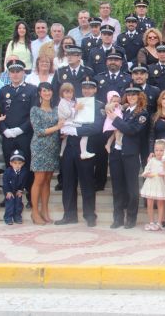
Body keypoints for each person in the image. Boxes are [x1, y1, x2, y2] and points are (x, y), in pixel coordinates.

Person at [55, 80, 104, 227]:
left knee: (87, 183)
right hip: (69, 146)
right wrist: (62, 131)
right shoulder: (72, 103)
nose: (87, 91)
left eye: (90, 88)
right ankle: (69, 215)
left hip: (86, 147)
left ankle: (90, 215)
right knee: (68, 182)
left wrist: (75, 131)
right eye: (84, 88)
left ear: (95, 90)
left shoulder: (99, 105)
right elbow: (62, 120)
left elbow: (97, 127)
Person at [0, 59, 38, 208]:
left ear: (23, 72)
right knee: (10, 167)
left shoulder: (32, 90)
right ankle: (9, 195)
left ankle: (30, 197)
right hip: (8, 136)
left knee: (26, 165)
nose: (15, 74)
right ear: (9, 73)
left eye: (18, 71)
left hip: (24, 135)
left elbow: (33, 114)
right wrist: (4, 130)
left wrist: (20, 129)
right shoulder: (4, 90)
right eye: (12, 72)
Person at [108, 86, 149, 229]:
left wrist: (115, 119)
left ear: (139, 97)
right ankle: (117, 218)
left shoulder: (142, 113)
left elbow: (132, 130)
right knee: (117, 188)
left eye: (134, 95)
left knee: (132, 188)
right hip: (116, 152)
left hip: (130, 154)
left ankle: (131, 218)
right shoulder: (123, 110)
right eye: (129, 95)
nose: (131, 97)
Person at [29, 82, 61, 225]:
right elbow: (39, 131)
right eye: (44, 91)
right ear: (40, 93)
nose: (47, 93)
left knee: (47, 180)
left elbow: (60, 128)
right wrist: (57, 127)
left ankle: (45, 211)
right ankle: (35, 212)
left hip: (53, 147)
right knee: (39, 179)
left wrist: (62, 130)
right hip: (40, 147)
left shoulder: (56, 110)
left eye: (49, 90)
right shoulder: (35, 110)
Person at [140, 140, 165, 231]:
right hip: (151, 184)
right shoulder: (151, 160)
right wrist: (147, 174)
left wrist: (164, 174)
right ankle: (151, 222)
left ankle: (159, 222)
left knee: (161, 204)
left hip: (161, 185)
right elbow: (146, 171)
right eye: (156, 150)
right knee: (150, 203)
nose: (158, 152)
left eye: (161, 150)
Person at [57, 82, 92, 160]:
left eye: (71, 92)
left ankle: (61, 153)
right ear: (62, 93)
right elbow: (67, 114)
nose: (69, 94)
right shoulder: (62, 102)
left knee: (65, 139)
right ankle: (83, 152)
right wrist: (75, 108)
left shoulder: (70, 102)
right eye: (66, 92)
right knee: (85, 132)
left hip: (68, 124)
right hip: (66, 124)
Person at [2, 149, 27, 225]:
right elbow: (5, 183)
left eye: (20, 163)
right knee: (10, 202)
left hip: (17, 190)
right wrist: (8, 192)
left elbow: (23, 182)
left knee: (18, 203)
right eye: (15, 163)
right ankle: (8, 218)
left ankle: (17, 216)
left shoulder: (24, 171)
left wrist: (20, 190)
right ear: (11, 163)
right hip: (9, 190)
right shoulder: (7, 171)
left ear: (23, 163)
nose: (17, 165)